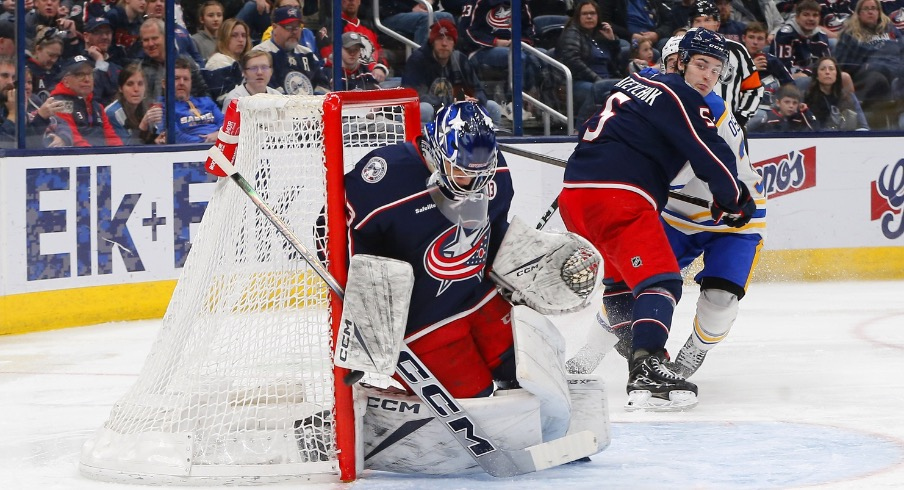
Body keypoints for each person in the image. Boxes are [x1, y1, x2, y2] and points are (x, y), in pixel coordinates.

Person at [559, 28, 755, 411]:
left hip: (576, 195)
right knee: (661, 281)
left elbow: (592, 131)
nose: (707, 77)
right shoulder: (680, 95)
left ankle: (633, 343)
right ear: (678, 62)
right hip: (621, 199)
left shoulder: (633, 82)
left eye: (715, 70)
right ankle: (648, 364)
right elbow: (709, 154)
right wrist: (734, 199)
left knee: (620, 284)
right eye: (700, 65)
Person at [344, 101, 516, 400]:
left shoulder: (494, 168)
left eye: (480, 172)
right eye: (460, 171)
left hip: (482, 301)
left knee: (528, 376)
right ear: (436, 152)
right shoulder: (385, 177)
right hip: (421, 323)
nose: (471, 182)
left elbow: (497, 229)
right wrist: (366, 328)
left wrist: (521, 270)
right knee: (473, 403)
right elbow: (332, 234)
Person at [401, 19, 502, 125]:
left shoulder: (460, 59)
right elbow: (415, 95)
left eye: (449, 39)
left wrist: (474, 99)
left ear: (454, 43)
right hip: (432, 113)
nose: (444, 43)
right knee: (425, 109)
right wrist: (451, 102)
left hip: (456, 111)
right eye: (440, 38)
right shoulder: (418, 59)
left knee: (492, 107)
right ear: (432, 41)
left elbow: (478, 90)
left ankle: (490, 139)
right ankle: (422, 140)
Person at [690, 0, 764, 127]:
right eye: (698, 21)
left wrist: (741, 117)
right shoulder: (679, 52)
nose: (702, 25)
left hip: (728, 125)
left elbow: (754, 89)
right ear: (690, 25)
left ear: (717, 24)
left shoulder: (737, 51)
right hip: (690, 124)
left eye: (707, 20)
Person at [834, 0, 904, 127]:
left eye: (873, 8)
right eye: (866, 9)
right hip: (866, 75)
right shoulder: (850, 34)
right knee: (879, 78)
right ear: (859, 13)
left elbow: (902, 48)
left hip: (895, 70)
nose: (870, 12)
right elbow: (840, 63)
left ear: (879, 11)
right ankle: (883, 125)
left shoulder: (890, 29)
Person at [555, 0, 624, 124]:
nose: (589, 17)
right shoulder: (572, 33)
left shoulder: (601, 35)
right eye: (585, 14)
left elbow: (616, 65)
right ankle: (580, 128)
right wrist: (598, 80)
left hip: (605, 81)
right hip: (580, 82)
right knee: (601, 93)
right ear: (578, 17)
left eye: (592, 13)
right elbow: (573, 61)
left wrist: (612, 42)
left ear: (598, 16)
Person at [252, 5, 330, 95]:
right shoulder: (260, 54)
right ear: (274, 27)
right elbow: (263, 91)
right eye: (288, 27)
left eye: (297, 27)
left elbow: (324, 87)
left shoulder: (308, 54)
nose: (294, 32)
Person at [50, 54, 124, 146]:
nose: (87, 79)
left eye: (90, 74)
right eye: (80, 74)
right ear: (66, 81)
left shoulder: (98, 107)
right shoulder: (59, 104)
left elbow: (112, 138)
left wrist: (121, 152)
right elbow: (74, 138)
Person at [317, 0, 389, 82]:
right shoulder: (331, 26)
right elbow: (329, 57)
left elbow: (380, 52)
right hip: (348, 80)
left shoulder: (369, 27)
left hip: (375, 78)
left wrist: (380, 67)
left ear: (359, 2)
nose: (351, 1)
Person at [166, 56, 223, 143]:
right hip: (191, 151)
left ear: (191, 82)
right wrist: (207, 141)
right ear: (165, 83)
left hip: (220, 145)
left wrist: (219, 135)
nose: (181, 83)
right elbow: (177, 137)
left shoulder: (207, 101)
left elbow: (225, 123)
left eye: (186, 79)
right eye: (176, 78)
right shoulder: (165, 108)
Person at [742, 21, 793, 117]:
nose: (755, 42)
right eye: (751, 37)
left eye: (760, 39)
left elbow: (790, 85)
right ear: (744, 38)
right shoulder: (734, 59)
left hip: (771, 110)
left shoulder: (772, 61)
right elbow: (727, 88)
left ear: (766, 42)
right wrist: (751, 69)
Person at [804, 55, 869, 130]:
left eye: (831, 69)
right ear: (816, 76)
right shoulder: (808, 97)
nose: (827, 72)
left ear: (837, 75)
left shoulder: (849, 96)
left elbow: (863, 126)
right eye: (822, 69)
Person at [771, 0, 831, 79]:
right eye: (806, 15)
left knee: (844, 77)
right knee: (804, 79)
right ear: (797, 17)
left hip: (812, 74)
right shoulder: (785, 35)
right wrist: (808, 73)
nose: (811, 19)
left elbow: (827, 63)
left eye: (815, 15)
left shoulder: (821, 36)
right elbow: (783, 67)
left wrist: (809, 72)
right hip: (787, 78)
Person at [105, 62, 162, 144]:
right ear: (121, 88)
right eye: (130, 84)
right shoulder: (112, 113)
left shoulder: (146, 107)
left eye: (140, 84)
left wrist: (157, 140)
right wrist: (143, 125)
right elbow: (125, 150)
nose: (136, 89)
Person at [202, 18, 250, 104]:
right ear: (224, 38)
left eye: (244, 35)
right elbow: (224, 100)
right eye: (234, 35)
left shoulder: (244, 62)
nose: (241, 40)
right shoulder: (218, 61)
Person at [81, 17, 122, 108]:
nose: (104, 37)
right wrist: (100, 61)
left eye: (108, 33)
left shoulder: (117, 68)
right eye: (98, 33)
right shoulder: (79, 64)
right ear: (86, 36)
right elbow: (94, 94)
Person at [378, 0, 455, 46]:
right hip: (390, 15)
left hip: (423, 13)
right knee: (428, 19)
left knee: (447, 17)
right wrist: (411, 9)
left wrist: (430, 1)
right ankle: (420, 65)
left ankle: (445, 66)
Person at [748, 82, 818, 131]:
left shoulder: (799, 118)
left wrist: (806, 111)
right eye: (787, 102)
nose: (791, 106)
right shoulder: (768, 119)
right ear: (778, 103)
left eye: (795, 103)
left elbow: (816, 130)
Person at [27, 26, 65, 102]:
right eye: (51, 55)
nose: (54, 60)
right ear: (38, 49)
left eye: (57, 56)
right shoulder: (25, 69)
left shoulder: (57, 70)